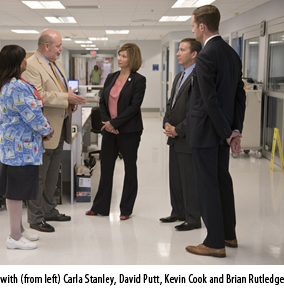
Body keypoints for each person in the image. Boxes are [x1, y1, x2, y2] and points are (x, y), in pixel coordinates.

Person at [185, 5, 246, 257]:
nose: (192, 29)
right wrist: (234, 129)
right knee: (222, 181)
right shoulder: (232, 53)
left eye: (192, 25)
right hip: (222, 132)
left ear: (201, 26)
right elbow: (239, 96)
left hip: (207, 132)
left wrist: (225, 132)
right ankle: (228, 235)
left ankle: (214, 242)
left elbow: (209, 101)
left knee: (207, 184)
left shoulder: (207, 55)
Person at [22, 29, 87, 232]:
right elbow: (38, 95)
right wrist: (66, 98)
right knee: (39, 177)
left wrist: (70, 103)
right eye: (58, 46)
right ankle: (35, 218)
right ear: (46, 46)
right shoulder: (32, 65)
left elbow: (59, 91)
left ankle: (50, 210)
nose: (61, 49)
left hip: (60, 126)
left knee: (52, 175)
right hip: (44, 130)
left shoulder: (57, 63)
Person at [0, 44, 54, 250]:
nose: (27, 61)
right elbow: (32, 115)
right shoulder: (17, 86)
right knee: (16, 192)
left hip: (13, 146)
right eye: (24, 58)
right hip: (20, 148)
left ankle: (18, 229)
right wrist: (46, 130)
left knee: (16, 190)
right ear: (18, 63)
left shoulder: (5, 83)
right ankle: (14, 236)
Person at [85, 43, 146, 221]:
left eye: (124, 56)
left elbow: (134, 107)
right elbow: (102, 101)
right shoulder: (111, 77)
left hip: (129, 131)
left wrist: (115, 123)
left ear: (132, 59)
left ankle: (126, 208)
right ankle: (100, 207)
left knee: (129, 168)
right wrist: (107, 122)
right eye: (119, 55)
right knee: (106, 168)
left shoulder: (138, 80)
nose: (119, 58)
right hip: (109, 130)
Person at [160, 38, 202, 231]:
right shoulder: (179, 76)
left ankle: (192, 218)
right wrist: (167, 123)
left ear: (193, 54)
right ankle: (178, 212)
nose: (178, 53)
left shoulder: (199, 77)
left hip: (188, 137)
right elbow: (171, 103)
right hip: (174, 136)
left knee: (189, 180)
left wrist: (179, 129)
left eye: (182, 50)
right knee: (175, 178)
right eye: (178, 50)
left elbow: (197, 111)